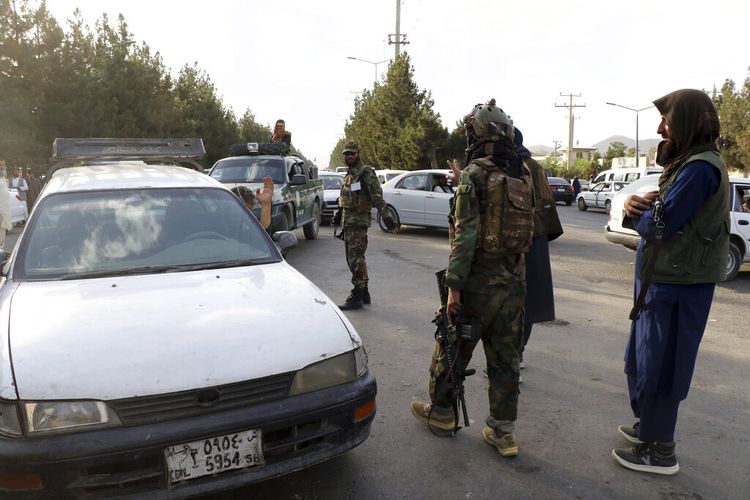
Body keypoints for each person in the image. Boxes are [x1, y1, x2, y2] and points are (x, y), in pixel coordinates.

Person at [612, 89, 728, 475]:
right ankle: (650, 427)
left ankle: (660, 450)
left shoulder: (699, 168)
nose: (661, 127)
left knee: (662, 365)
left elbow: (660, 225)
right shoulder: (687, 162)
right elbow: (659, 209)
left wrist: (635, 216)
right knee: (642, 361)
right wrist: (635, 205)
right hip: (662, 280)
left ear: (688, 123)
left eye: (668, 120)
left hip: (678, 286)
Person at [410, 99, 533, 457]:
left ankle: (442, 413)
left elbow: (464, 238)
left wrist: (453, 290)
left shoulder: (476, 174)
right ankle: (503, 432)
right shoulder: (521, 173)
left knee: (451, 347)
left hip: (478, 284)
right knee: (506, 359)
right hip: (513, 284)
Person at [514, 129, 563, 368]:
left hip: (518, 239)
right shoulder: (533, 164)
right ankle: (518, 353)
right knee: (530, 300)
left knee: (513, 300)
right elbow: (547, 204)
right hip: (538, 237)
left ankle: (512, 358)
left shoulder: (510, 165)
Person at [332, 140, 397, 310]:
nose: (349, 156)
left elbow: (377, 195)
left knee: (355, 258)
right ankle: (364, 292)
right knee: (355, 257)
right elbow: (344, 198)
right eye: (346, 153)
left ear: (358, 154)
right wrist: (339, 214)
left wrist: (387, 218)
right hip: (349, 222)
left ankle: (357, 294)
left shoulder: (365, 172)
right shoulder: (349, 174)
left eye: (352, 153)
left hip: (359, 222)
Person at [0, 160, 12, 251]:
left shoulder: (3, 179)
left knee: (2, 235)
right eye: (0, 165)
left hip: (4, 212)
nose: (2, 167)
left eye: (3, 165)